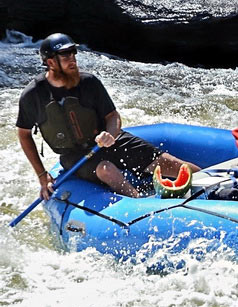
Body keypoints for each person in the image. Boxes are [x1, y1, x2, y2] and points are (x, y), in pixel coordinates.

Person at [16, 33, 200, 199]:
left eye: (73, 53)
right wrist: (42, 175)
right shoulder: (33, 95)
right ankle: (139, 202)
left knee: (170, 164)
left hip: (108, 140)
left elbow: (113, 116)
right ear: (50, 62)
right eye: (66, 55)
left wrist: (110, 134)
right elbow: (24, 134)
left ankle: (214, 184)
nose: (72, 58)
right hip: (74, 155)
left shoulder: (89, 82)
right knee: (107, 170)